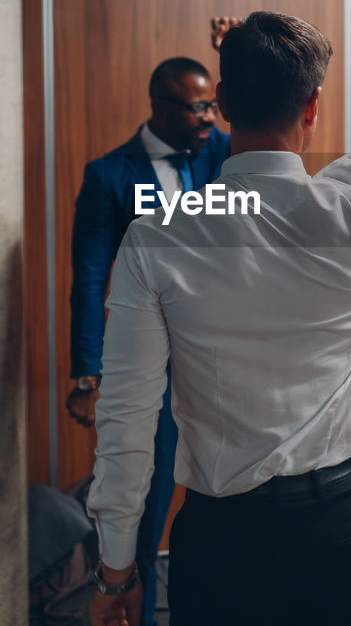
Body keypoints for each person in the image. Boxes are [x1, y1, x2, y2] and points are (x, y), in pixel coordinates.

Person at [86, 0, 351, 626]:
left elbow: (125, 421)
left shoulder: (159, 236)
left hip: (223, 540)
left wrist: (117, 568)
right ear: (313, 107)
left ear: (224, 109)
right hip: (342, 527)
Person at [65, 55, 230, 626]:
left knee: (225, 503)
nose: (208, 115)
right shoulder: (110, 175)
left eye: (214, 102)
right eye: (196, 106)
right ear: (159, 106)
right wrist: (88, 375)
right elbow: (89, 278)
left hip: (221, 360)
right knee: (143, 505)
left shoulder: (225, 155)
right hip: (151, 363)